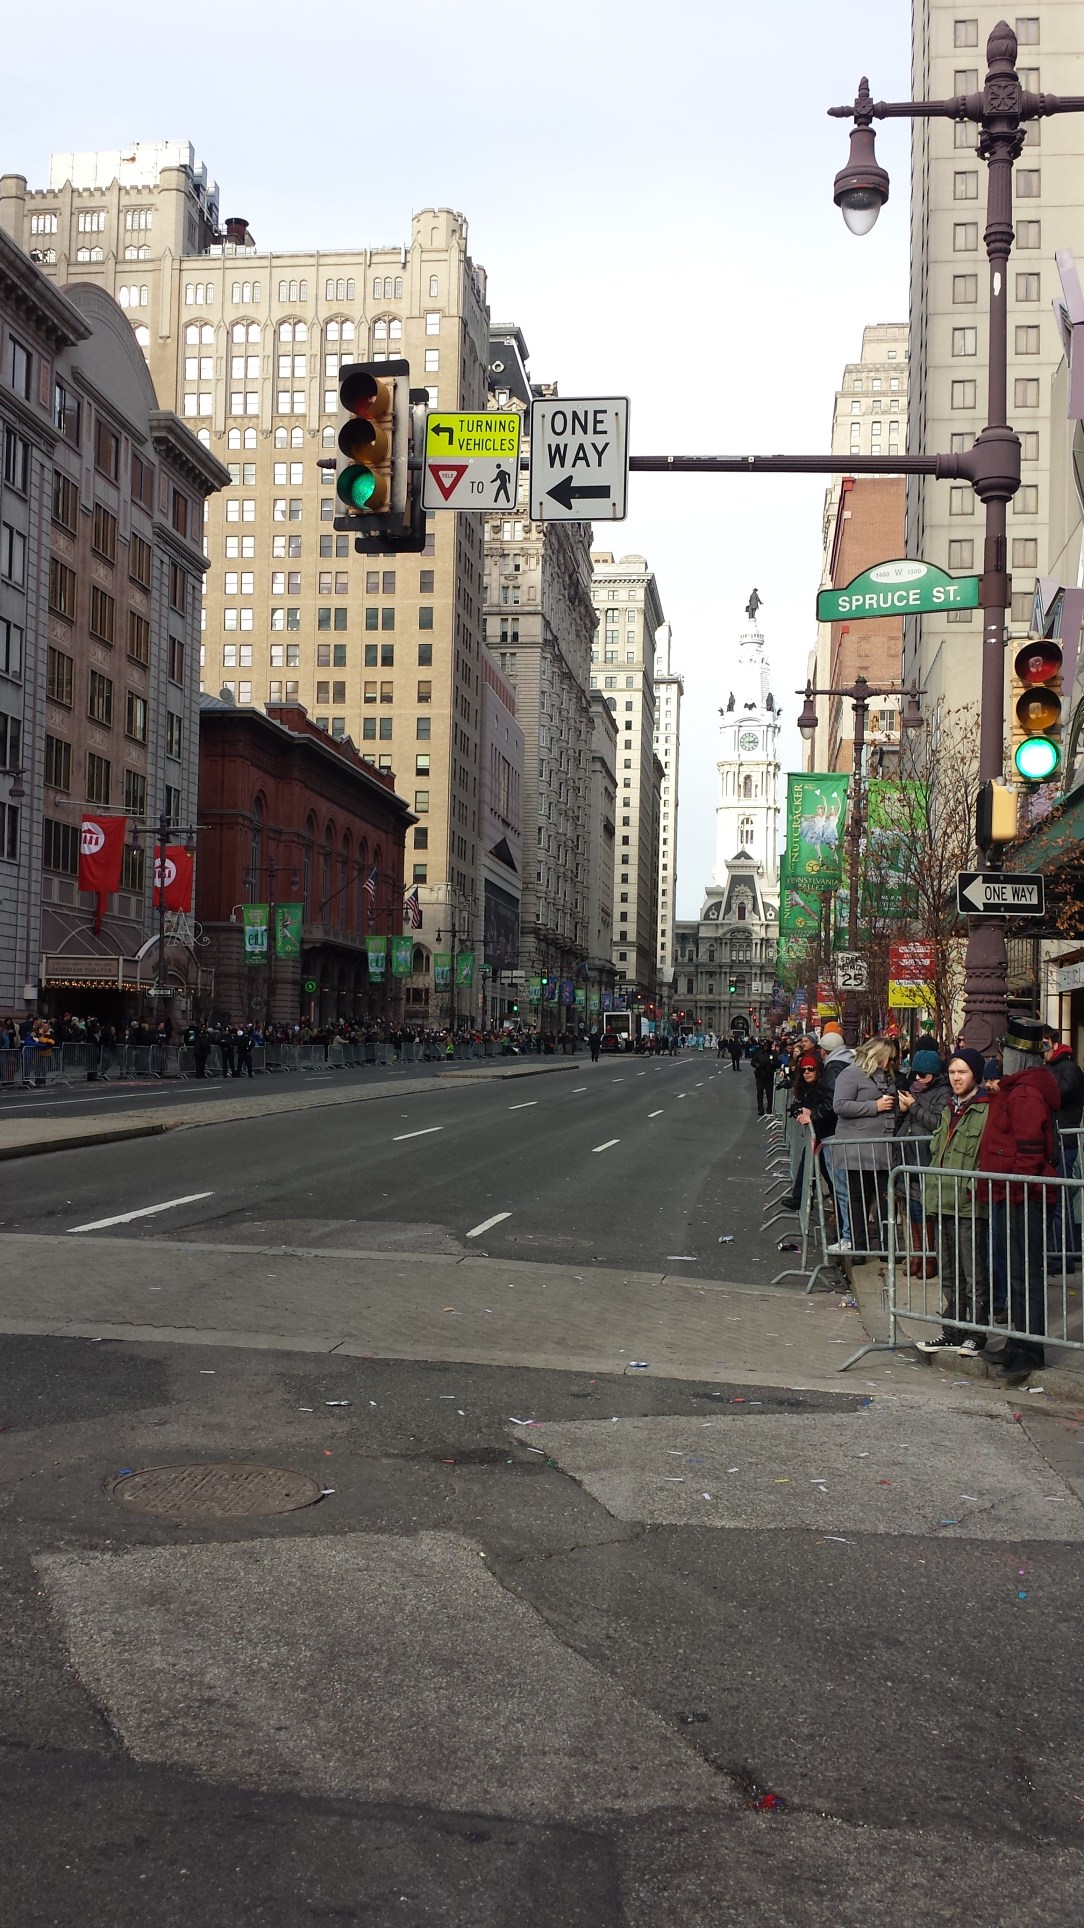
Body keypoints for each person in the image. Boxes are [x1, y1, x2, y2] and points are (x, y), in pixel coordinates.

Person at [981, 1017, 1061, 1381]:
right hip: (1013, 1191)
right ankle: (1018, 1341)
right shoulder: (1020, 1089)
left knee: (1025, 1273)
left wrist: (1014, 1187)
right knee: (1016, 1271)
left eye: (1006, 1051)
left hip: (1023, 1194)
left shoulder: (1027, 1094)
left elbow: (1028, 1153)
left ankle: (1029, 1348)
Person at [916, 1048, 991, 1354]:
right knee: (949, 1271)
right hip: (941, 1198)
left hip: (968, 1203)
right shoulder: (950, 1108)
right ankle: (952, 1329)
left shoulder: (986, 1109)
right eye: (952, 1072)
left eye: (962, 1072)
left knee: (973, 1271)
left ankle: (976, 1332)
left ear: (975, 1075)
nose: (956, 1078)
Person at [827, 1037, 909, 1257]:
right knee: (858, 1199)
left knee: (884, 1198)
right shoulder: (851, 1074)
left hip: (882, 1147)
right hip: (857, 1148)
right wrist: (874, 1106)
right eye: (888, 1058)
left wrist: (898, 1107)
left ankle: (885, 1248)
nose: (891, 1063)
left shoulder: (887, 1076)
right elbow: (840, 1105)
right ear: (877, 1055)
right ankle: (859, 1248)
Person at [894, 1047, 951, 1277]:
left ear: (934, 1075)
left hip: (925, 1158)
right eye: (915, 1073)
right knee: (910, 1207)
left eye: (923, 1075)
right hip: (906, 1155)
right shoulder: (912, 1090)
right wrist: (902, 1110)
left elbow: (938, 1123)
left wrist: (913, 1107)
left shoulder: (943, 1093)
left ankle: (930, 1256)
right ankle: (917, 1253)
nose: (917, 1078)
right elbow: (904, 1121)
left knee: (923, 1210)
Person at [1040, 1026, 1084, 1265]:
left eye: (1044, 1043)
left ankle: (1061, 1257)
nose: (1042, 1048)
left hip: (1064, 1143)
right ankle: (1056, 1254)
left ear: (1054, 1043)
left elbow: (1060, 1093)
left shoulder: (1069, 1069)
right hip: (1052, 1142)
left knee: (1060, 1201)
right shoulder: (1049, 1068)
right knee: (1054, 1200)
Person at [750, 1035, 777, 1117]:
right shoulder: (759, 1053)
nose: (765, 1047)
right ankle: (760, 1109)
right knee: (760, 1093)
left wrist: (773, 1063)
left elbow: (778, 1063)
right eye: (764, 1046)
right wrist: (756, 1064)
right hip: (760, 1075)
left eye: (767, 1046)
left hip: (769, 1076)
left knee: (769, 1093)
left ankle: (769, 1108)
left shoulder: (773, 1054)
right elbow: (753, 1061)